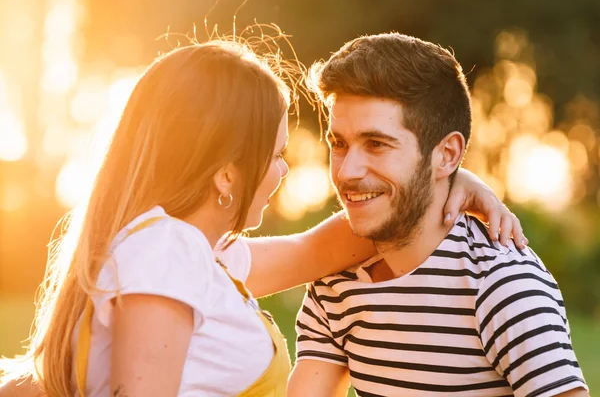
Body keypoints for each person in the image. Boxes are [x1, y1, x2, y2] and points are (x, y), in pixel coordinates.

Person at [0, 39, 525, 397]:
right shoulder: (168, 249)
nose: (283, 171)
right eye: (276, 155)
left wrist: (444, 178)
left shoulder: (201, 255)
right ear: (227, 175)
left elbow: (321, 249)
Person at [290, 33, 589, 397]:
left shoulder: (500, 285)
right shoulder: (334, 286)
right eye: (339, 144)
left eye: (377, 144)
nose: (347, 171)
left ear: (447, 155)